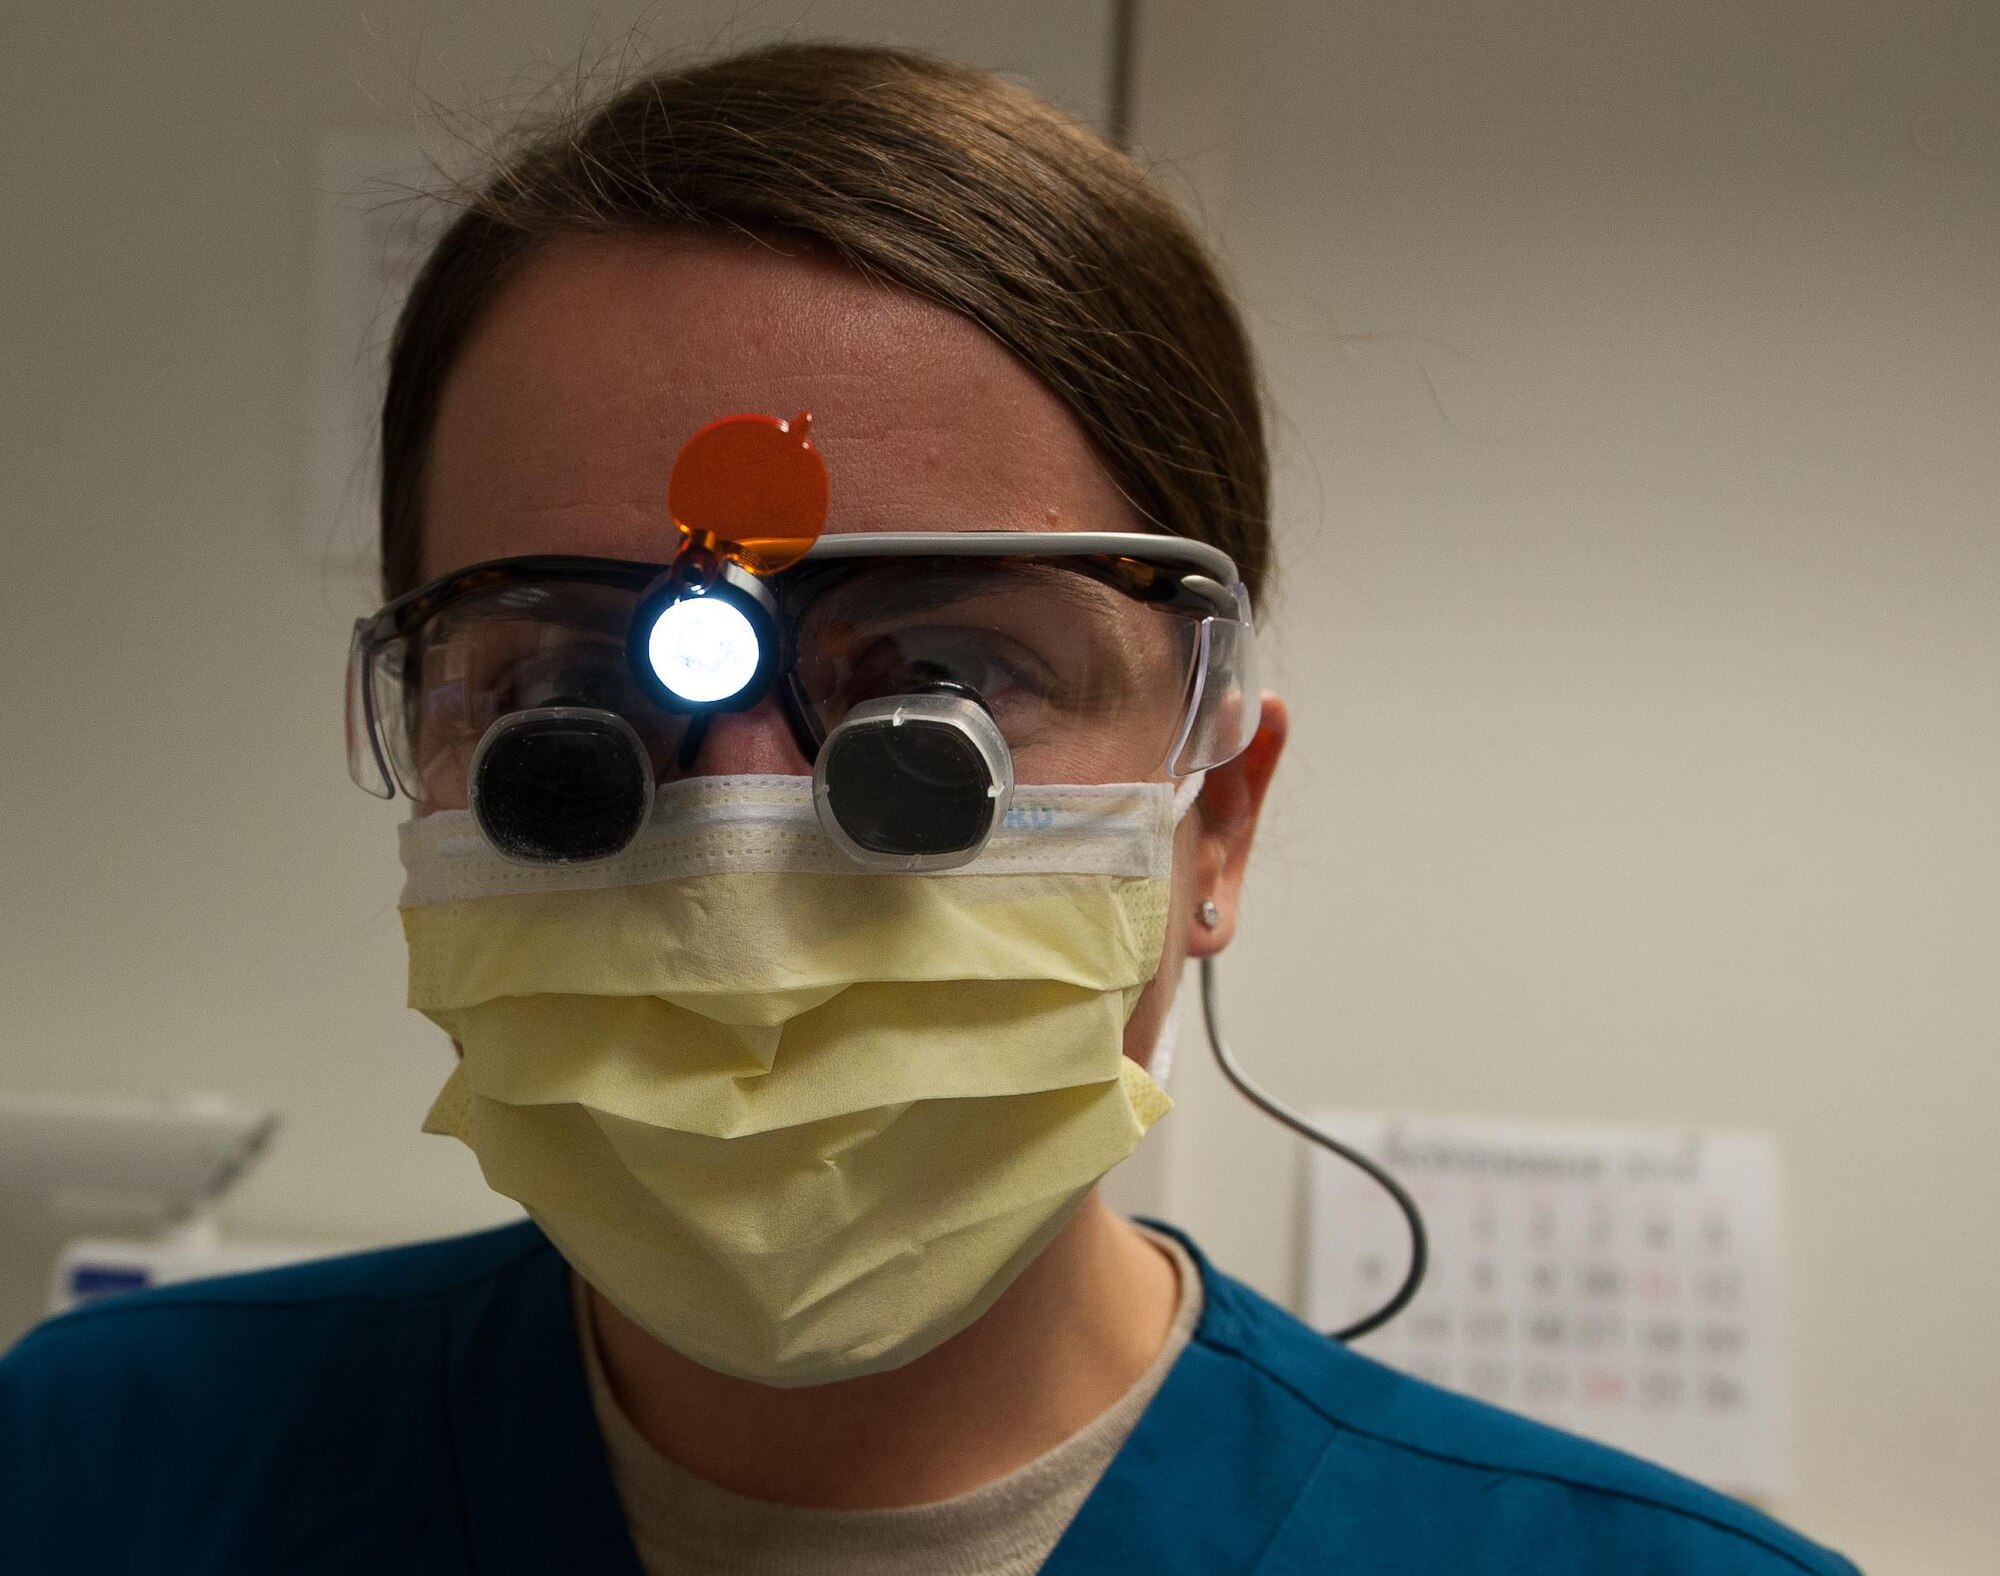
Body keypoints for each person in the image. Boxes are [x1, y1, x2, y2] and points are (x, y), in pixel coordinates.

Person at [0, 42, 1858, 1576]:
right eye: (568, 698)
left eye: (945, 688)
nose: (740, 845)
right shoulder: (88, 1476)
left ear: (1218, 820)